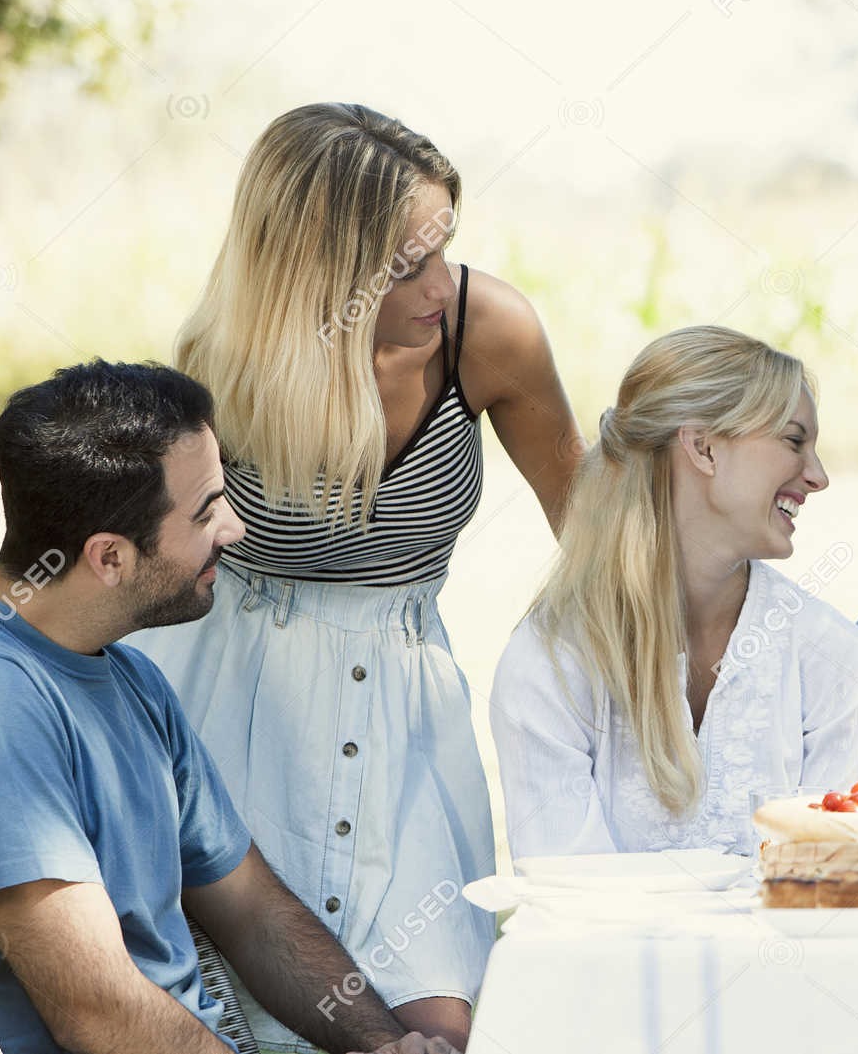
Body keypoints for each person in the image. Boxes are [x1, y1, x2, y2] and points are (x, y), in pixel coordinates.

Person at [131, 102, 582, 1052]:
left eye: (443, 246)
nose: (438, 283)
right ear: (317, 269)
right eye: (403, 263)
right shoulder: (224, 363)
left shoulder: (487, 330)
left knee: (434, 1017)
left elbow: (590, 531)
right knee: (250, 1017)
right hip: (236, 697)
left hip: (408, 703)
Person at [0, 361, 458, 1054]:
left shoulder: (130, 678)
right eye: (205, 509)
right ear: (109, 557)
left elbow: (252, 911)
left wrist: (383, 1043)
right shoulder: (0, 706)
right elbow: (97, 1010)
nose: (233, 529)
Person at [491, 327, 858, 856]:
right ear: (703, 448)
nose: (818, 477)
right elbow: (568, 896)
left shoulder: (829, 654)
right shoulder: (554, 658)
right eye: (793, 441)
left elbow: (832, 879)